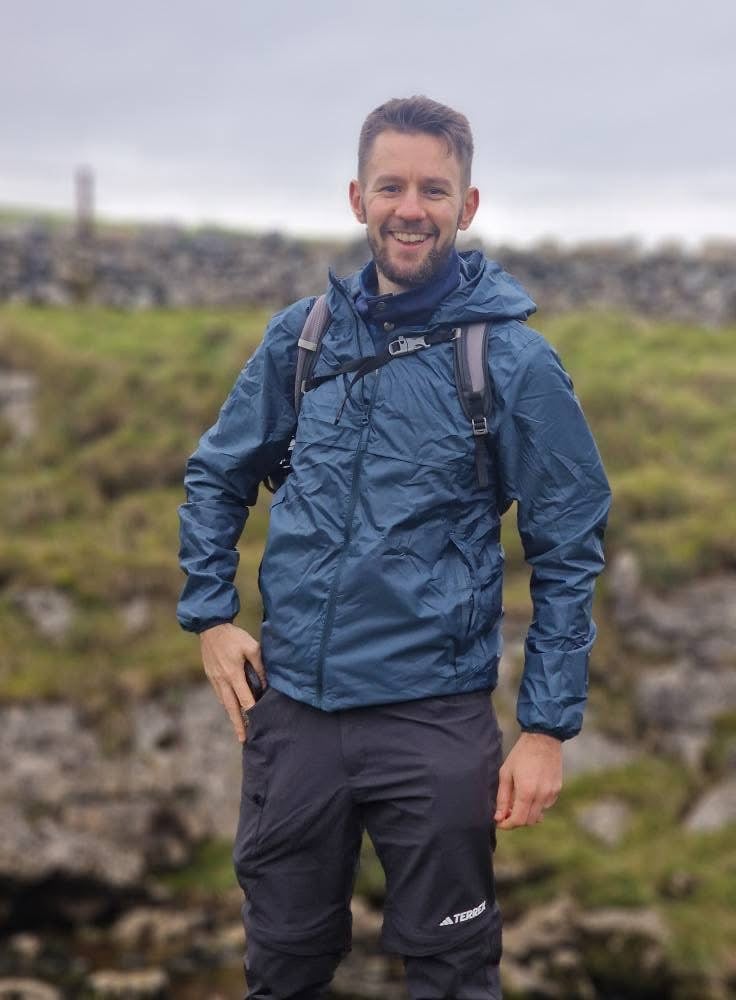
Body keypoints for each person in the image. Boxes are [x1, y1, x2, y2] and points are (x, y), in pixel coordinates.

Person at [177, 95, 612, 1000]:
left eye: (433, 190)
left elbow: (569, 546)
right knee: (282, 970)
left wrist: (544, 729)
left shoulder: (513, 361)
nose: (410, 209)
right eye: (391, 187)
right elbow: (217, 475)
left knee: (453, 974)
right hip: (295, 716)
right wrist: (210, 617)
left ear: (468, 205)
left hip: (434, 722)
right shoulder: (302, 338)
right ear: (357, 198)